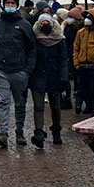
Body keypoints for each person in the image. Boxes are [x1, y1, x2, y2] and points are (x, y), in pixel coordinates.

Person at [0, 0, 36, 148]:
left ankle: (19, 132)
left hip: (19, 70)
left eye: (12, 3)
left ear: (16, 5)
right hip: (0, 69)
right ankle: (3, 132)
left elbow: (32, 48)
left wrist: (28, 70)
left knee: (20, 103)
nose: (9, 6)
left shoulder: (24, 25)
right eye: (7, 3)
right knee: (3, 102)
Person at [29, 13, 67, 148]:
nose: (45, 26)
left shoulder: (59, 39)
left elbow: (63, 60)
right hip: (38, 75)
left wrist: (64, 77)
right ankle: (39, 132)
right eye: (42, 23)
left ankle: (56, 130)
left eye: (47, 23)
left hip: (54, 76)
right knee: (38, 106)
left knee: (55, 107)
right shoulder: (34, 38)